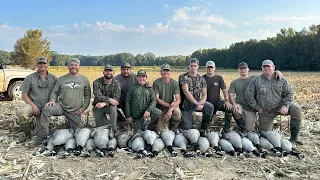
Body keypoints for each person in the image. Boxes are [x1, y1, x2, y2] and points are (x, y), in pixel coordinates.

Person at [245, 59, 303, 145]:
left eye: (269, 66)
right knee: (266, 136)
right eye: (264, 66)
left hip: (279, 107)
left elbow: (290, 93)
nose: (266, 68)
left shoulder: (282, 79)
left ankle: (294, 138)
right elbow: (248, 94)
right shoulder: (256, 80)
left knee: (296, 109)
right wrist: (256, 107)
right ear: (261, 68)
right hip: (265, 111)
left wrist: (286, 105)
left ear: (273, 67)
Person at [40, 58, 91, 142]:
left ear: (79, 66)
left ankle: (68, 125)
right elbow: (54, 92)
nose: (73, 67)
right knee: (46, 109)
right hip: (61, 106)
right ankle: (43, 138)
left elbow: (87, 96)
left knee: (75, 132)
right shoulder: (61, 79)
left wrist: (83, 109)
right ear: (68, 66)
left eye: (76, 65)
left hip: (75, 110)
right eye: (71, 65)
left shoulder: (84, 79)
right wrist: (52, 100)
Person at [17, 56, 57, 143]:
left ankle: (44, 135)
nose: (42, 65)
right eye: (40, 63)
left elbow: (57, 93)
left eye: (44, 63)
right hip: (33, 104)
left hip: (47, 107)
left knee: (41, 133)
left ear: (48, 65)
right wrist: (33, 106)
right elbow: (24, 95)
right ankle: (28, 134)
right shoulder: (29, 78)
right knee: (22, 114)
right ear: (37, 65)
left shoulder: (54, 78)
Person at [178, 58, 214, 134]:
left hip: (197, 103)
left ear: (198, 66)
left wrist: (202, 102)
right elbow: (186, 92)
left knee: (210, 107)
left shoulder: (201, 79)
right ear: (188, 66)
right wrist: (197, 103)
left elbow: (204, 94)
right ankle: (180, 123)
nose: (193, 67)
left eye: (195, 65)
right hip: (185, 105)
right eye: (191, 66)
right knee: (186, 127)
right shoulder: (183, 77)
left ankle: (203, 128)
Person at [202, 61, 237, 133]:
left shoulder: (219, 78)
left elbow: (224, 90)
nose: (210, 69)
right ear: (206, 68)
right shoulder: (202, 78)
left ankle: (226, 127)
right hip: (207, 103)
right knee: (207, 126)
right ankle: (205, 127)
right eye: (208, 67)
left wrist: (227, 100)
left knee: (229, 108)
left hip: (217, 102)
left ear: (214, 68)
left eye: (211, 67)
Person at [153, 64, 182, 132]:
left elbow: (178, 100)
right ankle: (162, 124)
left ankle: (173, 126)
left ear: (170, 72)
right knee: (160, 130)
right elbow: (157, 99)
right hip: (160, 107)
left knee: (177, 112)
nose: (166, 72)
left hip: (171, 106)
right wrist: (169, 106)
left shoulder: (174, 83)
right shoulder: (156, 83)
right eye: (164, 70)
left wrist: (170, 109)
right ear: (161, 72)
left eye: (167, 70)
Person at [92, 64, 121, 129]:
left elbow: (116, 99)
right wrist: (109, 99)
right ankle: (103, 126)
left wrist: (105, 103)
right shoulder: (96, 82)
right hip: (99, 105)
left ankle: (113, 128)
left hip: (110, 105)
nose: (108, 73)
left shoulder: (117, 84)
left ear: (113, 72)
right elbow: (98, 95)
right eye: (106, 71)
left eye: (110, 71)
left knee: (113, 108)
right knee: (101, 127)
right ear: (103, 72)